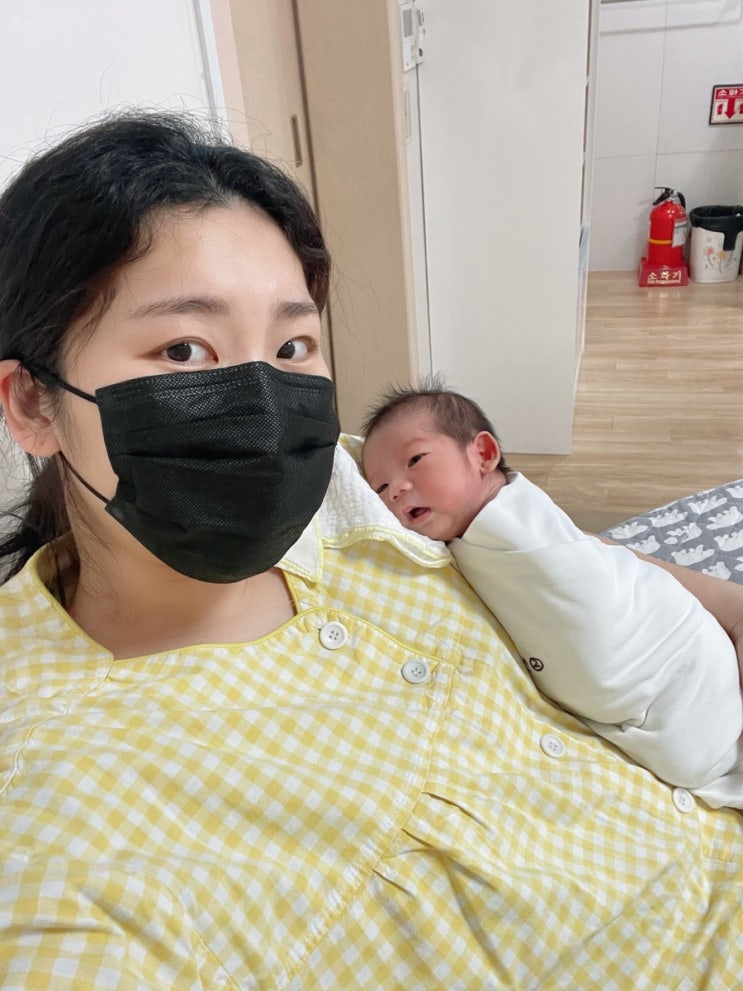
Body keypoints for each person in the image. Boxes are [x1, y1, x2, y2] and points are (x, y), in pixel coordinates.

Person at [0, 112, 742, 991]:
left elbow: (561, 555)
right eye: (184, 349)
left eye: (291, 345)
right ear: (34, 405)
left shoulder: (356, 484)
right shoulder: (62, 824)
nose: (265, 406)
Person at [362, 381, 743, 809]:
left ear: (483, 455)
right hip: (628, 699)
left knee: (697, 754)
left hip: (673, 646)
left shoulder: (513, 509)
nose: (396, 490)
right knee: (685, 759)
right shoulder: (452, 547)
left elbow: (593, 557)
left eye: (415, 460)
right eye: (380, 488)